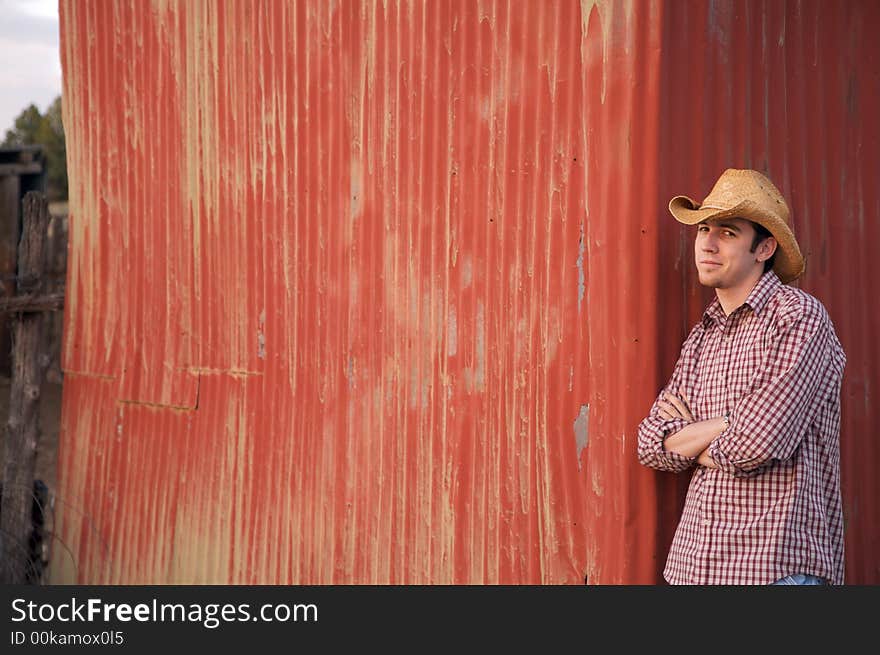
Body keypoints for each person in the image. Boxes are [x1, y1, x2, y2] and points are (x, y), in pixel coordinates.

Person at [637, 168, 846, 585]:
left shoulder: (797, 318)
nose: (708, 244)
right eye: (704, 230)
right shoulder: (702, 337)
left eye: (728, 233)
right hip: (692, 569)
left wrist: (693, 435)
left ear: (764, 247)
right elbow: (650, 445)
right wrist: (729, 423)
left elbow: (757, 445)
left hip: (774, 570)